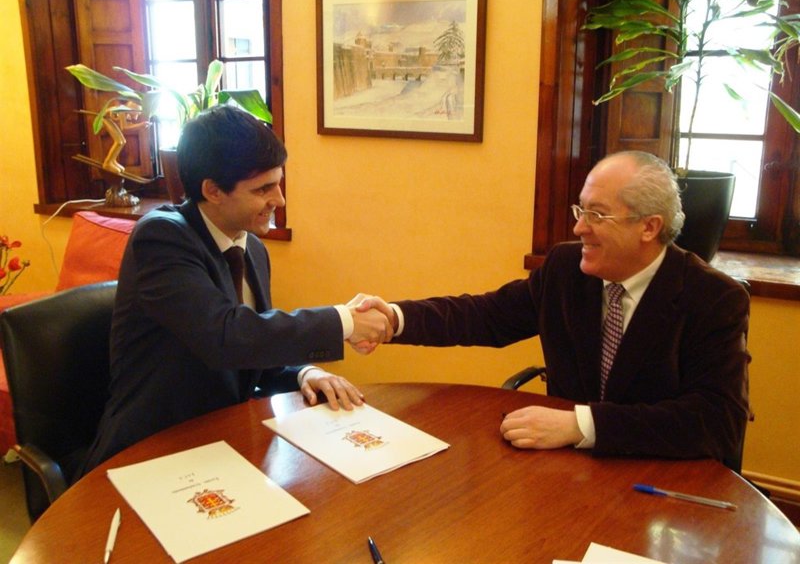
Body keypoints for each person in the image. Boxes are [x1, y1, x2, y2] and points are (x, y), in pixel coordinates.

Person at [354, 151, 750, 466]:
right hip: (568, 471)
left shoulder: (713, 297)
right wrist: (395, 319)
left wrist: (580, 425)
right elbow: (485, 316)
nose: (579, 228)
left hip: (662, 481)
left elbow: (718, 421)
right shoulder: (565, 268)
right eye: (581, 210)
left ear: (649, 227)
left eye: (597, 215)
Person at [79, 105, 392, 475]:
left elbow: (254, 348)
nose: (279, 200)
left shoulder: (252, 249)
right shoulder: (161, 238)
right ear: (212, 191)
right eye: (263, 189)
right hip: (152, 449)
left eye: (278, 183)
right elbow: (225, 337)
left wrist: (304, 374)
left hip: (226, 441)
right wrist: (344, 322)